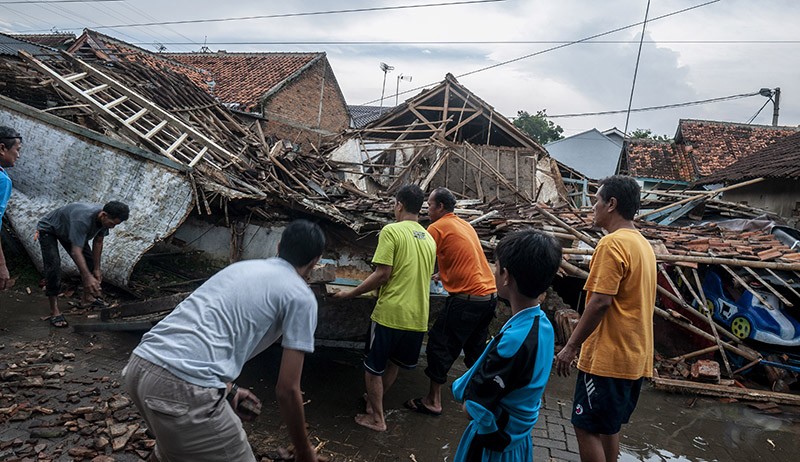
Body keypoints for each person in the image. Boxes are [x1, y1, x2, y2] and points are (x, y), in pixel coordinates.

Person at [122, 219, 326, 462]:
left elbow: (203, 333)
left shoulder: (241, 269)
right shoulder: (301, 296)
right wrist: (304, 450)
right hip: (183, 387)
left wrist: (229, 389)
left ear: (279, 246)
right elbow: (287, 389)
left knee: (170, 451)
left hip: (140, 365)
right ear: (315, 261)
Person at [554, 175, 656, 462]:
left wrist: (571, 346)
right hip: (633, 357)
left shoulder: (612, 244)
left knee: (585, 426)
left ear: (611, 204)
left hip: (608, 359)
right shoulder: (642, 245)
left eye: (596, 201)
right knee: (608, 427)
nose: (593, 207)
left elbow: (600, 302)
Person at [451, 229, 562, 461]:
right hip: (518, 441)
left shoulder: (512, 341)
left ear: (506, 276)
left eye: (496, 265)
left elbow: (473, 408)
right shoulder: (543, 325)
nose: (493, 270)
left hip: (491, 448)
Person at [333, 184, 436, 432]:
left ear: (399, 205)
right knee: (393, 364)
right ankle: (372, 404)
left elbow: (382, 274)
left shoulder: (391, 231)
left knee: (373, 368)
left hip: (391, 314)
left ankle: (377, 419)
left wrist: (350, 293)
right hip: (417, 316)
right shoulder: (429, 239)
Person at [404, 187, 497, 416]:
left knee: (439, 345)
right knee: (475, 350)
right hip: (489, 297)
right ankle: (483, 399)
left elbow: (418, 256)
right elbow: (464, 259)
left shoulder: (436, 228)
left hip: (467, 300)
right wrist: (442, 274)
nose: (427, 209)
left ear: (440, 207)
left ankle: (432, 401)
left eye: (430, 205)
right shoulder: (464, 224)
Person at [36, 201, 130, 327]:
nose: (112, 227)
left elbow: (98, 242)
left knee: (89, 263)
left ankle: (87, 299)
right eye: (112, 224)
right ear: (103, 215)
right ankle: (54, 310)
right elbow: (76, 252)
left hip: (70, 231)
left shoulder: (104, 221)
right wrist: (87, 277)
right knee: (53, 267)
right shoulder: (82, 220)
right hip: (50, 229)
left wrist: (97, 269)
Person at [0, 126, 22, 291]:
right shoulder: (2, 181)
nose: (18, 155)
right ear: (2, 148)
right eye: (17, 149)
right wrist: (1, 265)